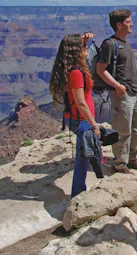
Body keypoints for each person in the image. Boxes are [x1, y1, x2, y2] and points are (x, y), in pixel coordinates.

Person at [96, 9, 137, 174]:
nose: (132, 24)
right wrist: (118, 86)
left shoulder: (125, 42)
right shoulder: (110, 44)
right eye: (128, 22)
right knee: (123, 130)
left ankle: (132, 157)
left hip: (134, 91)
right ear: (119, 25)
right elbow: (100, 69)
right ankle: (120, 163)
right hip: (122, 94)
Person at [49, 33, 100, 197]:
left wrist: (83, 40)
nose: (87, 49)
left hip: (77, 118)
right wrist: (94, 125)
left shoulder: (70, 68)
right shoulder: (76, 73)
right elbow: (80, 102)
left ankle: (79, 190)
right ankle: (78, 194)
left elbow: (85, 57)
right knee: (82, 159)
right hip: (82, 120)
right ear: (76, 51)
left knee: (85, 156)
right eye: (84, 47)